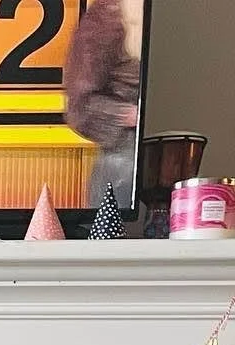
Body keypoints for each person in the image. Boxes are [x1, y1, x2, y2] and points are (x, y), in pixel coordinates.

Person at [64, 0, 145, 207]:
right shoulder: (106, 17)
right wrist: (132, 115)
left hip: (168, 158)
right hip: (124, 160)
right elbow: (80, 106)